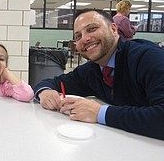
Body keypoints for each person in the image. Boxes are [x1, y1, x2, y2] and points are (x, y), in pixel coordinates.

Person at [34, 9, 164, 140]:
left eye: (92, 29)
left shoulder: (149, 58)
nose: (84, 39)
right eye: (78, 36)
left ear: (114, 29)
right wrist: (44, 92)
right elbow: (53, 83)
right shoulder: (92, 70)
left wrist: (100, 113)